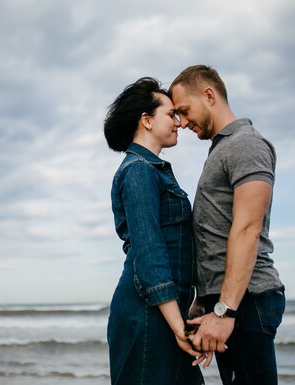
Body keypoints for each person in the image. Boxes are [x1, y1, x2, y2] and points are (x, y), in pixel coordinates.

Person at [170, 65, 286, 385]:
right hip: (228, 300)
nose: (181, 121)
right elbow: (217, 231)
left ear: (209, 95)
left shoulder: (245, 144)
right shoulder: (221, 149)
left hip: (246, 301)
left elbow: (248, 229)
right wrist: (202, 300)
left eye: (184, 110)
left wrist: (224, 311)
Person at [104, 77, 206, 385]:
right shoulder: (139, 172)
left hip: (163, 312)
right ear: (147, 120)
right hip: (149, 315)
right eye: (170, 114)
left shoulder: (151, 170)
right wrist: (179, 327)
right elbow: (148, 253)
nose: (178, 122)